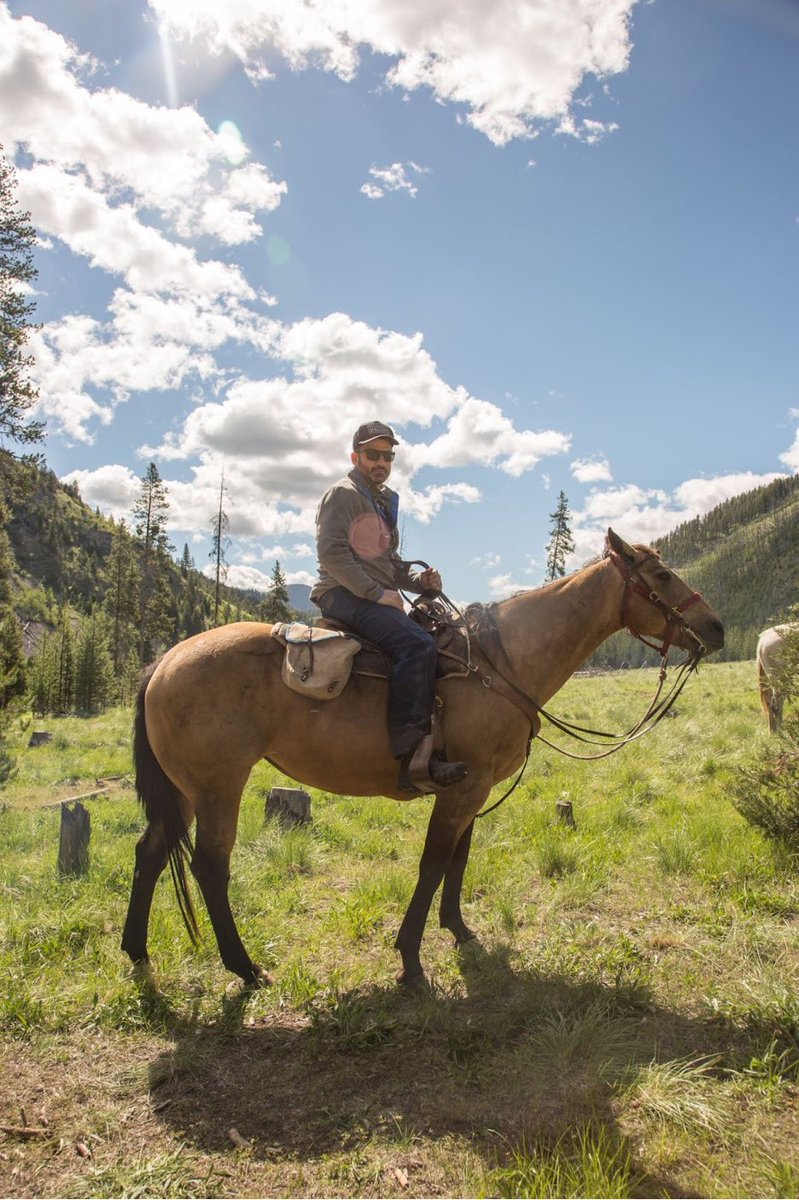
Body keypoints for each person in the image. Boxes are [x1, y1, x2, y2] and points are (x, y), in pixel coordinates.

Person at [311, 420, 468, 793]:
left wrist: (419, 583)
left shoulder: (381, 501)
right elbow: (331, 554)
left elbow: (389, 566)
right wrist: (375, 593)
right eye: (372, 455)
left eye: (387, 455)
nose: (381, 462)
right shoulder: (344, 493)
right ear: (356, 456)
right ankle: (411, 756)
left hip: (366, 593)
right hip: (341, 593)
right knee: (417, 644)